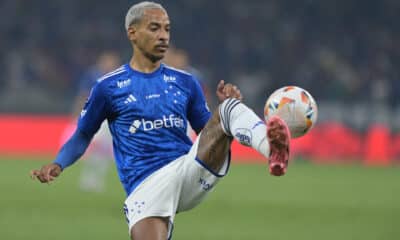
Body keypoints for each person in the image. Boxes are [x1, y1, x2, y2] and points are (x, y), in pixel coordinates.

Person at [30, 2, 290, 240]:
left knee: (229, 109)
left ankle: (273, 149)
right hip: (145, 185)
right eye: (154, 28)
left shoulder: (186, 82)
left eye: (167, 29)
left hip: (187, 169)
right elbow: (83, 134)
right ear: (132, 33)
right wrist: (58, 163)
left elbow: (205, 131)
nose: (163, 35)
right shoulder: (108, 87)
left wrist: (223, 116)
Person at [65, 51, 120, 192]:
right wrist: (77, 114)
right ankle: (89, 179)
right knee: (96, 147)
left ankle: (95, 180)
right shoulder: (92, 75)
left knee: (103, 150)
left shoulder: (118, 77)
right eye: (107, 61)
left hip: (110, 119)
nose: (109, 65)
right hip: (94, 117)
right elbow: (83, 95)